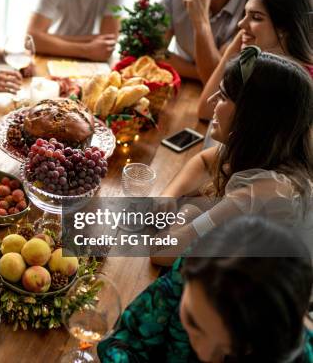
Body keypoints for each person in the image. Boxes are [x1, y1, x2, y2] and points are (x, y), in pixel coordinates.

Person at [153, 48, 312, 264]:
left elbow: (162, 253)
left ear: (252, 114)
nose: (211, 101)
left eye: (223, 96)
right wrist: (171, 194)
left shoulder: (262, 193)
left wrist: (184, 216)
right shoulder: (280, 151)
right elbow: (205, 160)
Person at [98, 215, 313, 362]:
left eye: (230, 350)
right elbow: (126, 341)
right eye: (192, 321)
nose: (204, 354)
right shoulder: (194, 272)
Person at [198, 0, 313, 119]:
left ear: (286, 27)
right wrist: (235, 48)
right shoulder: (258, 65)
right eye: (245, 15)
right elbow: (206, 110)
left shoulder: (296, 85)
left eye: (256, 17)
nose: (241, 24)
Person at [158, 0, 259, 82]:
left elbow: (221, 82)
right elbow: (155, 51)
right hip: (179, 80)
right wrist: (202, 73)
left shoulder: (254, 9)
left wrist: (201, 21)